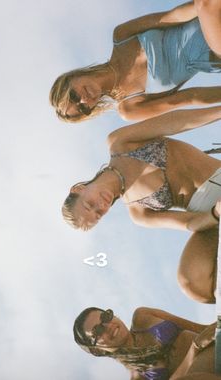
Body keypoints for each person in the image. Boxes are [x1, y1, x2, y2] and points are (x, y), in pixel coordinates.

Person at [62, 104, 221, 303]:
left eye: (89, 204)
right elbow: (189, 222)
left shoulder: (120, 144)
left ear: (78, 189)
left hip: (217, 177)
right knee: (191, 283)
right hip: (210, 216)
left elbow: (178, 121)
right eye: (98, 214)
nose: (100, 206)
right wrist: (215, 214)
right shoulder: (139, 213)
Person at [50, 1, 221, 123]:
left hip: (208, 15)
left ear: (72, 77)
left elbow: (173, 16)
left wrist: (206, 10)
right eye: (83, 109)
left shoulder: (122, 36)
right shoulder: (129, 108)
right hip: (213, 52)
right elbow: (188, 98)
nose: (83, 101)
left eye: (73, 96)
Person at [73, 306, 220, 380]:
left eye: (105, 316)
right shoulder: (138, 376)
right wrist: (194, 349)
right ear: (97, 350)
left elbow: (201, 329)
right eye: (98, 331)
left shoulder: (143, 316)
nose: (108, 325)